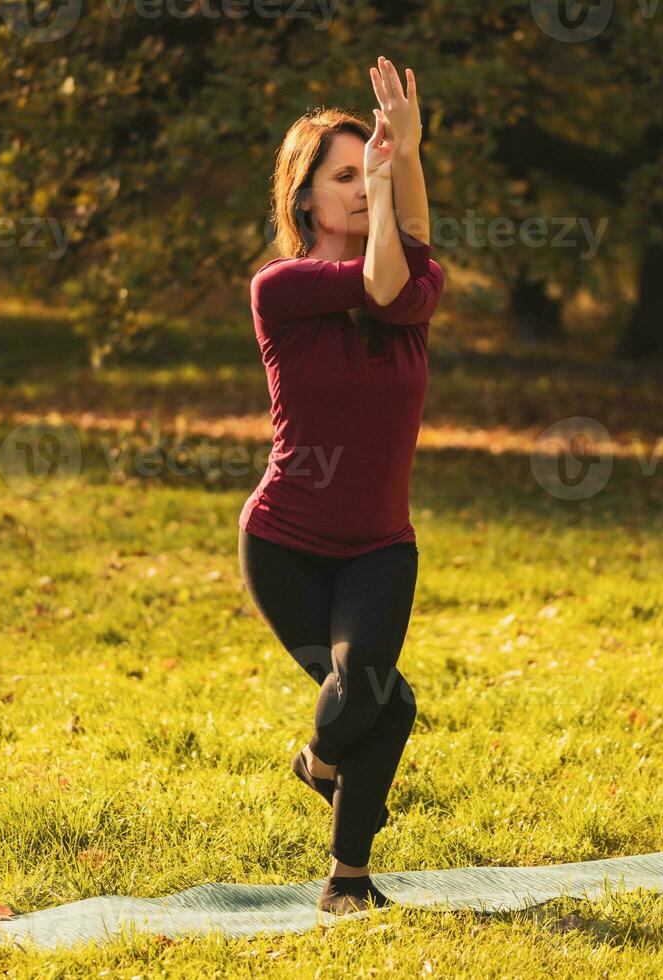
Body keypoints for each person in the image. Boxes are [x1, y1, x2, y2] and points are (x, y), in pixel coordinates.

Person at [237, 56, 443, 915]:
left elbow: (404, 269)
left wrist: (412, 154)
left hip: (379, 548)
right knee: (378, 703)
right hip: (286, 543)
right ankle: (348, 869)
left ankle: (338, 850)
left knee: (375, 700)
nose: (363, 189)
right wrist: (398, 175)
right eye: (346, 177)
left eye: (370, 173)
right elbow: (376, 277)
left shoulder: (411, 295)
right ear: (305, 200)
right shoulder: (281, 290)